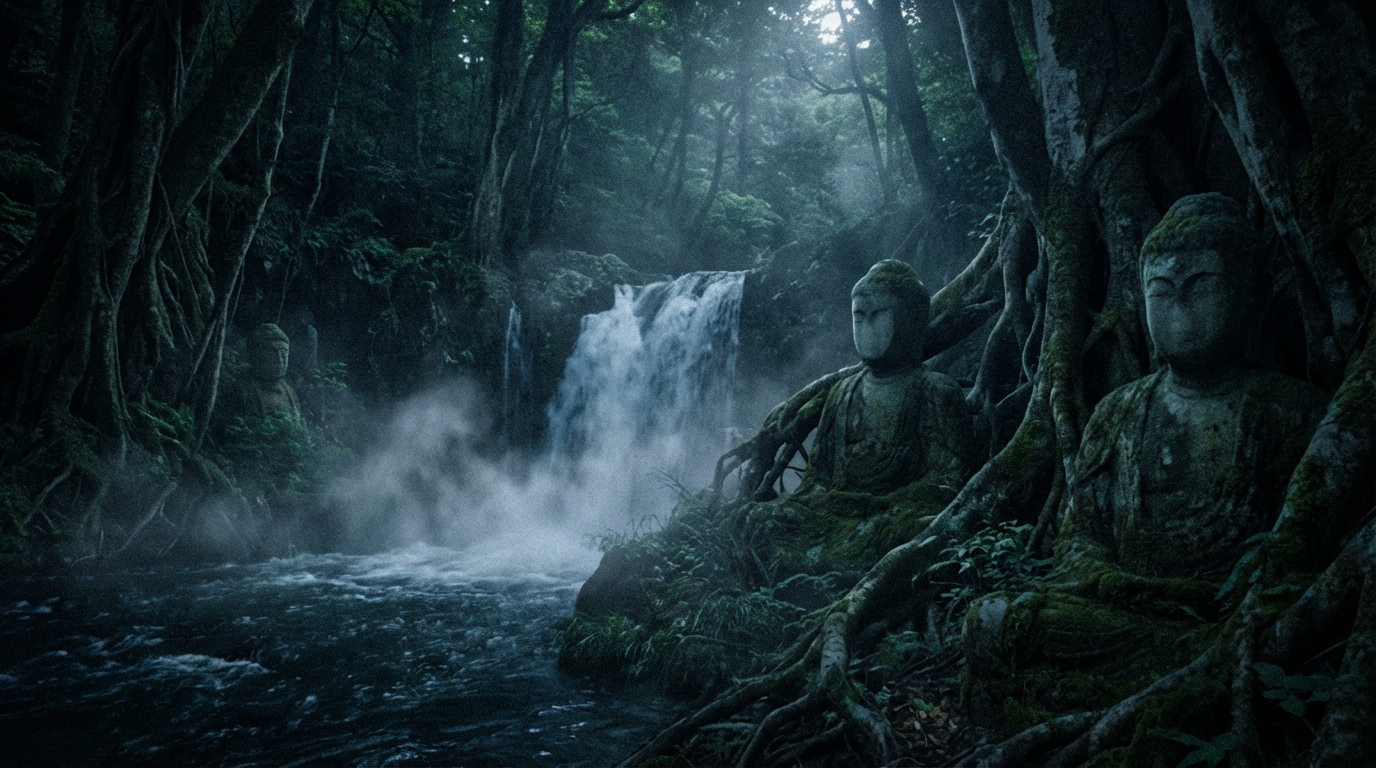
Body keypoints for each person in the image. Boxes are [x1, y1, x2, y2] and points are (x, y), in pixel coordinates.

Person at [960, 193, 1329, 732]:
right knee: (991, 622)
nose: (1179, 306)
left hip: (1217, 625)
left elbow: (1297, 563)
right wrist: (1109, 580)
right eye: (1161, 290)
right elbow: (1080, 541)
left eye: (1201, 286)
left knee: (1254, 653)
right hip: (1118, 608)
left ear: (1250, 293)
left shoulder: (1289, 413)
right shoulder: (1118, 412)